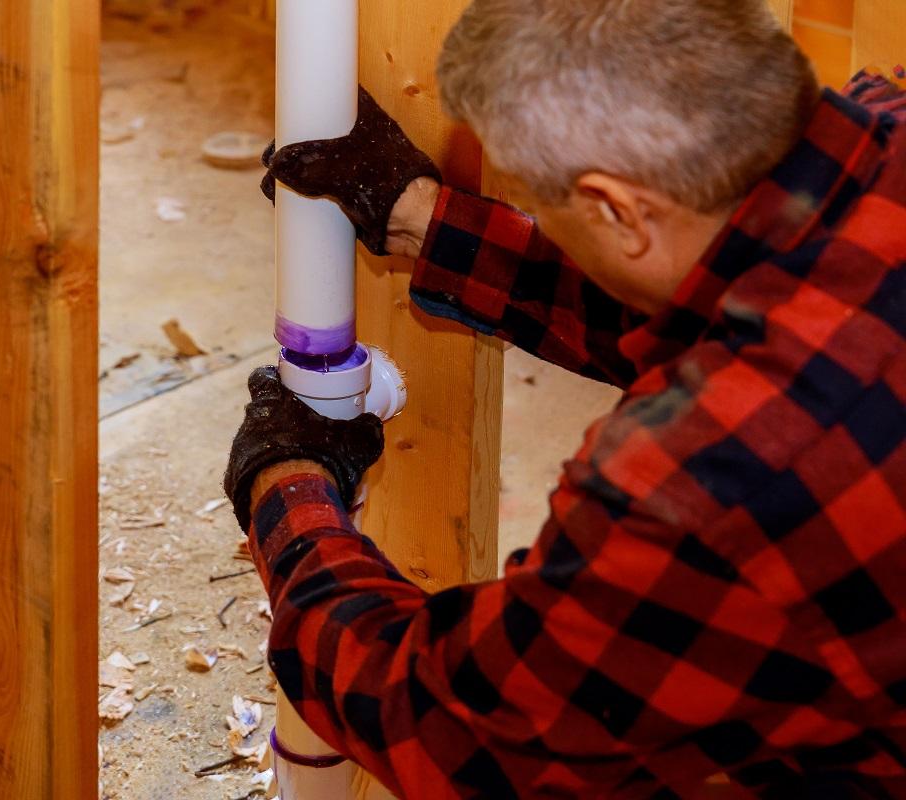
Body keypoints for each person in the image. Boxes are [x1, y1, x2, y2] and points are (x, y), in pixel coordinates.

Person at [223, 0, 906, 796]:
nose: (541, 220)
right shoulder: (884, 115)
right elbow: (742, 298)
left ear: (616, 209)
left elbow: (451, 727)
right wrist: (421, 219)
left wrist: (288, 482)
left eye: (548, 208)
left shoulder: (705, 487)